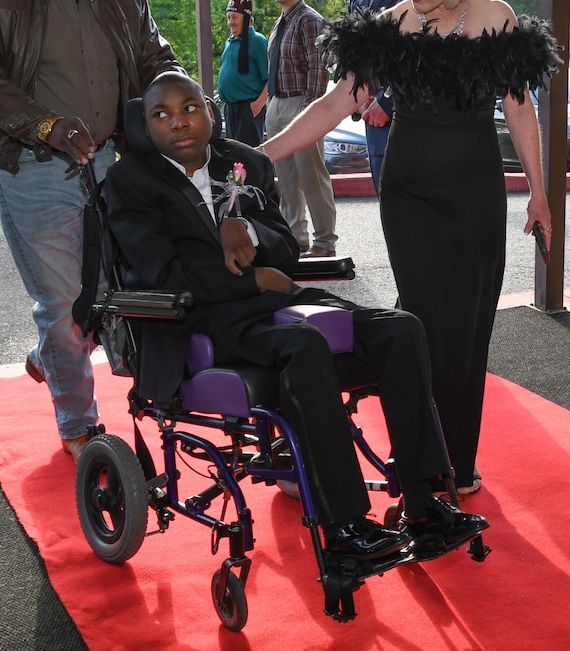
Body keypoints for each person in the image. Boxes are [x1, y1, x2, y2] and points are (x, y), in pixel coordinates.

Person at [103, 72, 488, 559]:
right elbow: (160, 271)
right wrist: (252, 279)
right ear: (145, 125)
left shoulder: (245, 163)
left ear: (209, 109)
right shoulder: (129, 183)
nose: (178, 123)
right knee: (305, 345)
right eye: (161, 115)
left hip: (278, 304)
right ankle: (346, 527)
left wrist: (247, 230)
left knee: (400, 329)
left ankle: (423, 500)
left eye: (189, 108)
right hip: (202, 321)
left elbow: (286, 247)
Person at [260, 0, 559, 496]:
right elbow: (335, 103)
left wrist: (540, 193)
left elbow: (521, 112)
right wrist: (263, 153)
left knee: (471, 324)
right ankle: (422, 461)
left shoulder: (495, 17)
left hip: (476, 190)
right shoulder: (388, 28)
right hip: (410, 192)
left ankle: (459, 459)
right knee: (422, 322)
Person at [0, 0, 184, 462]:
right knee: (62, 301)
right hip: (28, 163)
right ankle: (80, 427)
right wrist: (47, 125)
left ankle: (51, 351)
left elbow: (153, 58)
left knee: (108, 288)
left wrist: (179, 101)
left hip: (112, 160)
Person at [264, 0, 338, 258]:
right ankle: (295, 239)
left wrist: (310, 112)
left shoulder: (310, 20)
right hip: (278, 102)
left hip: (300, 103)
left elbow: (319, 69)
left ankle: (324, 240)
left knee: (311, 174)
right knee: (287, 178)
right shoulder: (280, 22)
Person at [347, 0, 409, 192]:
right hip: (371, 121)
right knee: (387, 210)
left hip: (409, 120)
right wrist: (356, 96)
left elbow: (423, 51)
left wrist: (387, 100)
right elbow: (352, 53)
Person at [217, 0, 268, 145]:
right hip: (231, 110)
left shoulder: (258, 41)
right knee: (234, 158)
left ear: (246, 19)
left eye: (235, 17)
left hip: (248, 109)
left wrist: (256, 107)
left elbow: (270, 78)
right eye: (229, 17)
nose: (231, 22)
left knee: (249, 156)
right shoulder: (229, 42)